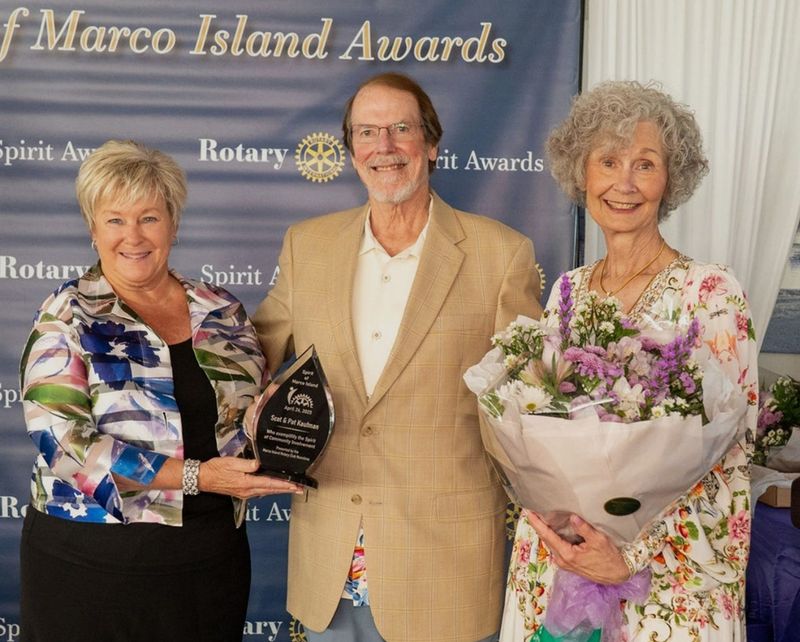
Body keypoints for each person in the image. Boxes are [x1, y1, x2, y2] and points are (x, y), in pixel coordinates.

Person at [252, 72, 543, 642]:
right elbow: (251, 360)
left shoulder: (501, 254)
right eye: (366, 132)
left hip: (446, 568)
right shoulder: (305, 245)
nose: (383, 147)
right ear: (352, 151)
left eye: (400, 129)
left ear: (431, 145)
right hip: (330, 565)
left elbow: (529, 404)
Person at [500, 81, 757, 641]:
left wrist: (631, 555)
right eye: (608, 161)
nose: (623, 183)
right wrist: (561, 528)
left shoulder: (710, 292)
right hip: (558, 566)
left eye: (645, 164)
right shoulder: (566, 292)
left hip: (662, 590)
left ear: (670, 180)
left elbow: (731, 454)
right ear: (582, 175)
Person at [19, 140, 300, 642]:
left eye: (149, 218)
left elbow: (252, 411)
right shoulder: (65, 315)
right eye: (115, 220)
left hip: (210, 561)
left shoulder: (221, 310)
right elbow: (65, 447)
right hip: (93, 565)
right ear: (92, 229)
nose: (133, 236)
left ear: (173, 224)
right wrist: (197, 477)